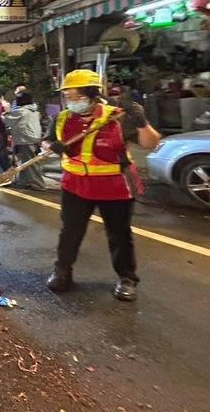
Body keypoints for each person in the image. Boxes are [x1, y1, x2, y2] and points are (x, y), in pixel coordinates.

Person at [43, 69, 161, 302]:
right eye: (68, 97)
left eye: (76, 97)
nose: (71, 102)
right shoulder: (63, 118)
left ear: (92, 94)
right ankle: (62, 272)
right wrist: (52, 147)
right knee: (70, 233)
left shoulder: (118, 116)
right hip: (75, 186)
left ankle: (127, 279)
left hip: (114, 188)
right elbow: (46, 143)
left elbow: (150, 143)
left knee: (119, 234)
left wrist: (142, 122)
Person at [2, 91, 46, 190]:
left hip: (26, 140)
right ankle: (22, 181)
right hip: (34, 138)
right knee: (26, 162)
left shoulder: (22, 111)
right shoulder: (33, 110)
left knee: (30, 163)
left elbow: (8, 120)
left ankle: (39, 185)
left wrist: (4, 114)